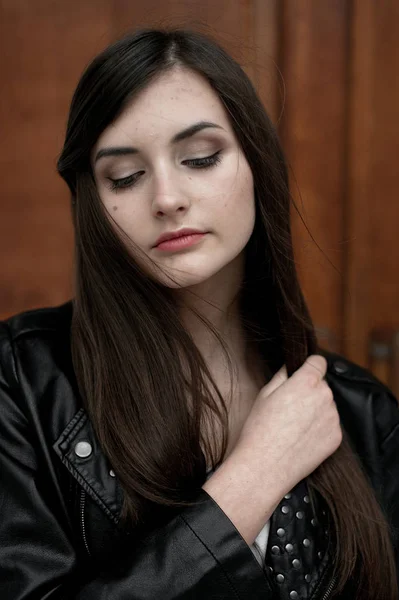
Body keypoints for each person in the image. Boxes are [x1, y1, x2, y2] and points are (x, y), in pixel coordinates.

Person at [0, 27, 398, 600]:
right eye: (126, 176)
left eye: (200, 157)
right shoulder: (23, 382)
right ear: (92, 200)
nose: (166, 197)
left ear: (256, 162)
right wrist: (251, 481)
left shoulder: (363, 413)